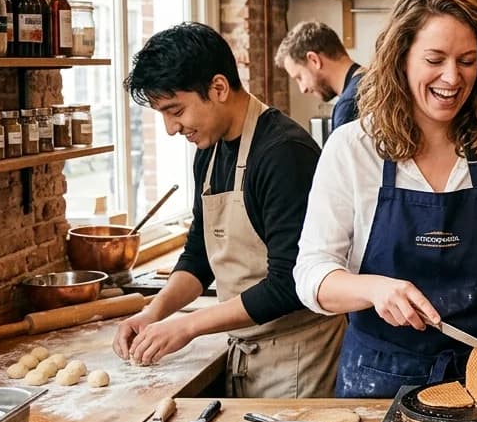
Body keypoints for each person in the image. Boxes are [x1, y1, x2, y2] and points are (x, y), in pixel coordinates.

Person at [293, 0, 477, 398]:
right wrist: (375, 289)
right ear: (402, 59)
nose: (452, 77)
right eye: (435, 59)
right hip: (379, 377)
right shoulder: (352, 148)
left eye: (467, 61)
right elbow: (312, 275)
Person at [114, 23, 344, 397]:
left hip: (299, 358)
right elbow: (199, 255)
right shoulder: (209, 151)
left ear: (218, 88)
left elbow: (290, 284)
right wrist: (153, 314)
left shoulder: (284, 154)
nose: (172, 128)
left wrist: (189, 326)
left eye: (175, 110)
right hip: (247, 351)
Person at [274, 20, 364, 133]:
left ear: (314, 60)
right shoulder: (368, 82)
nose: (303, 89)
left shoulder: (349, 106)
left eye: (299, 77)